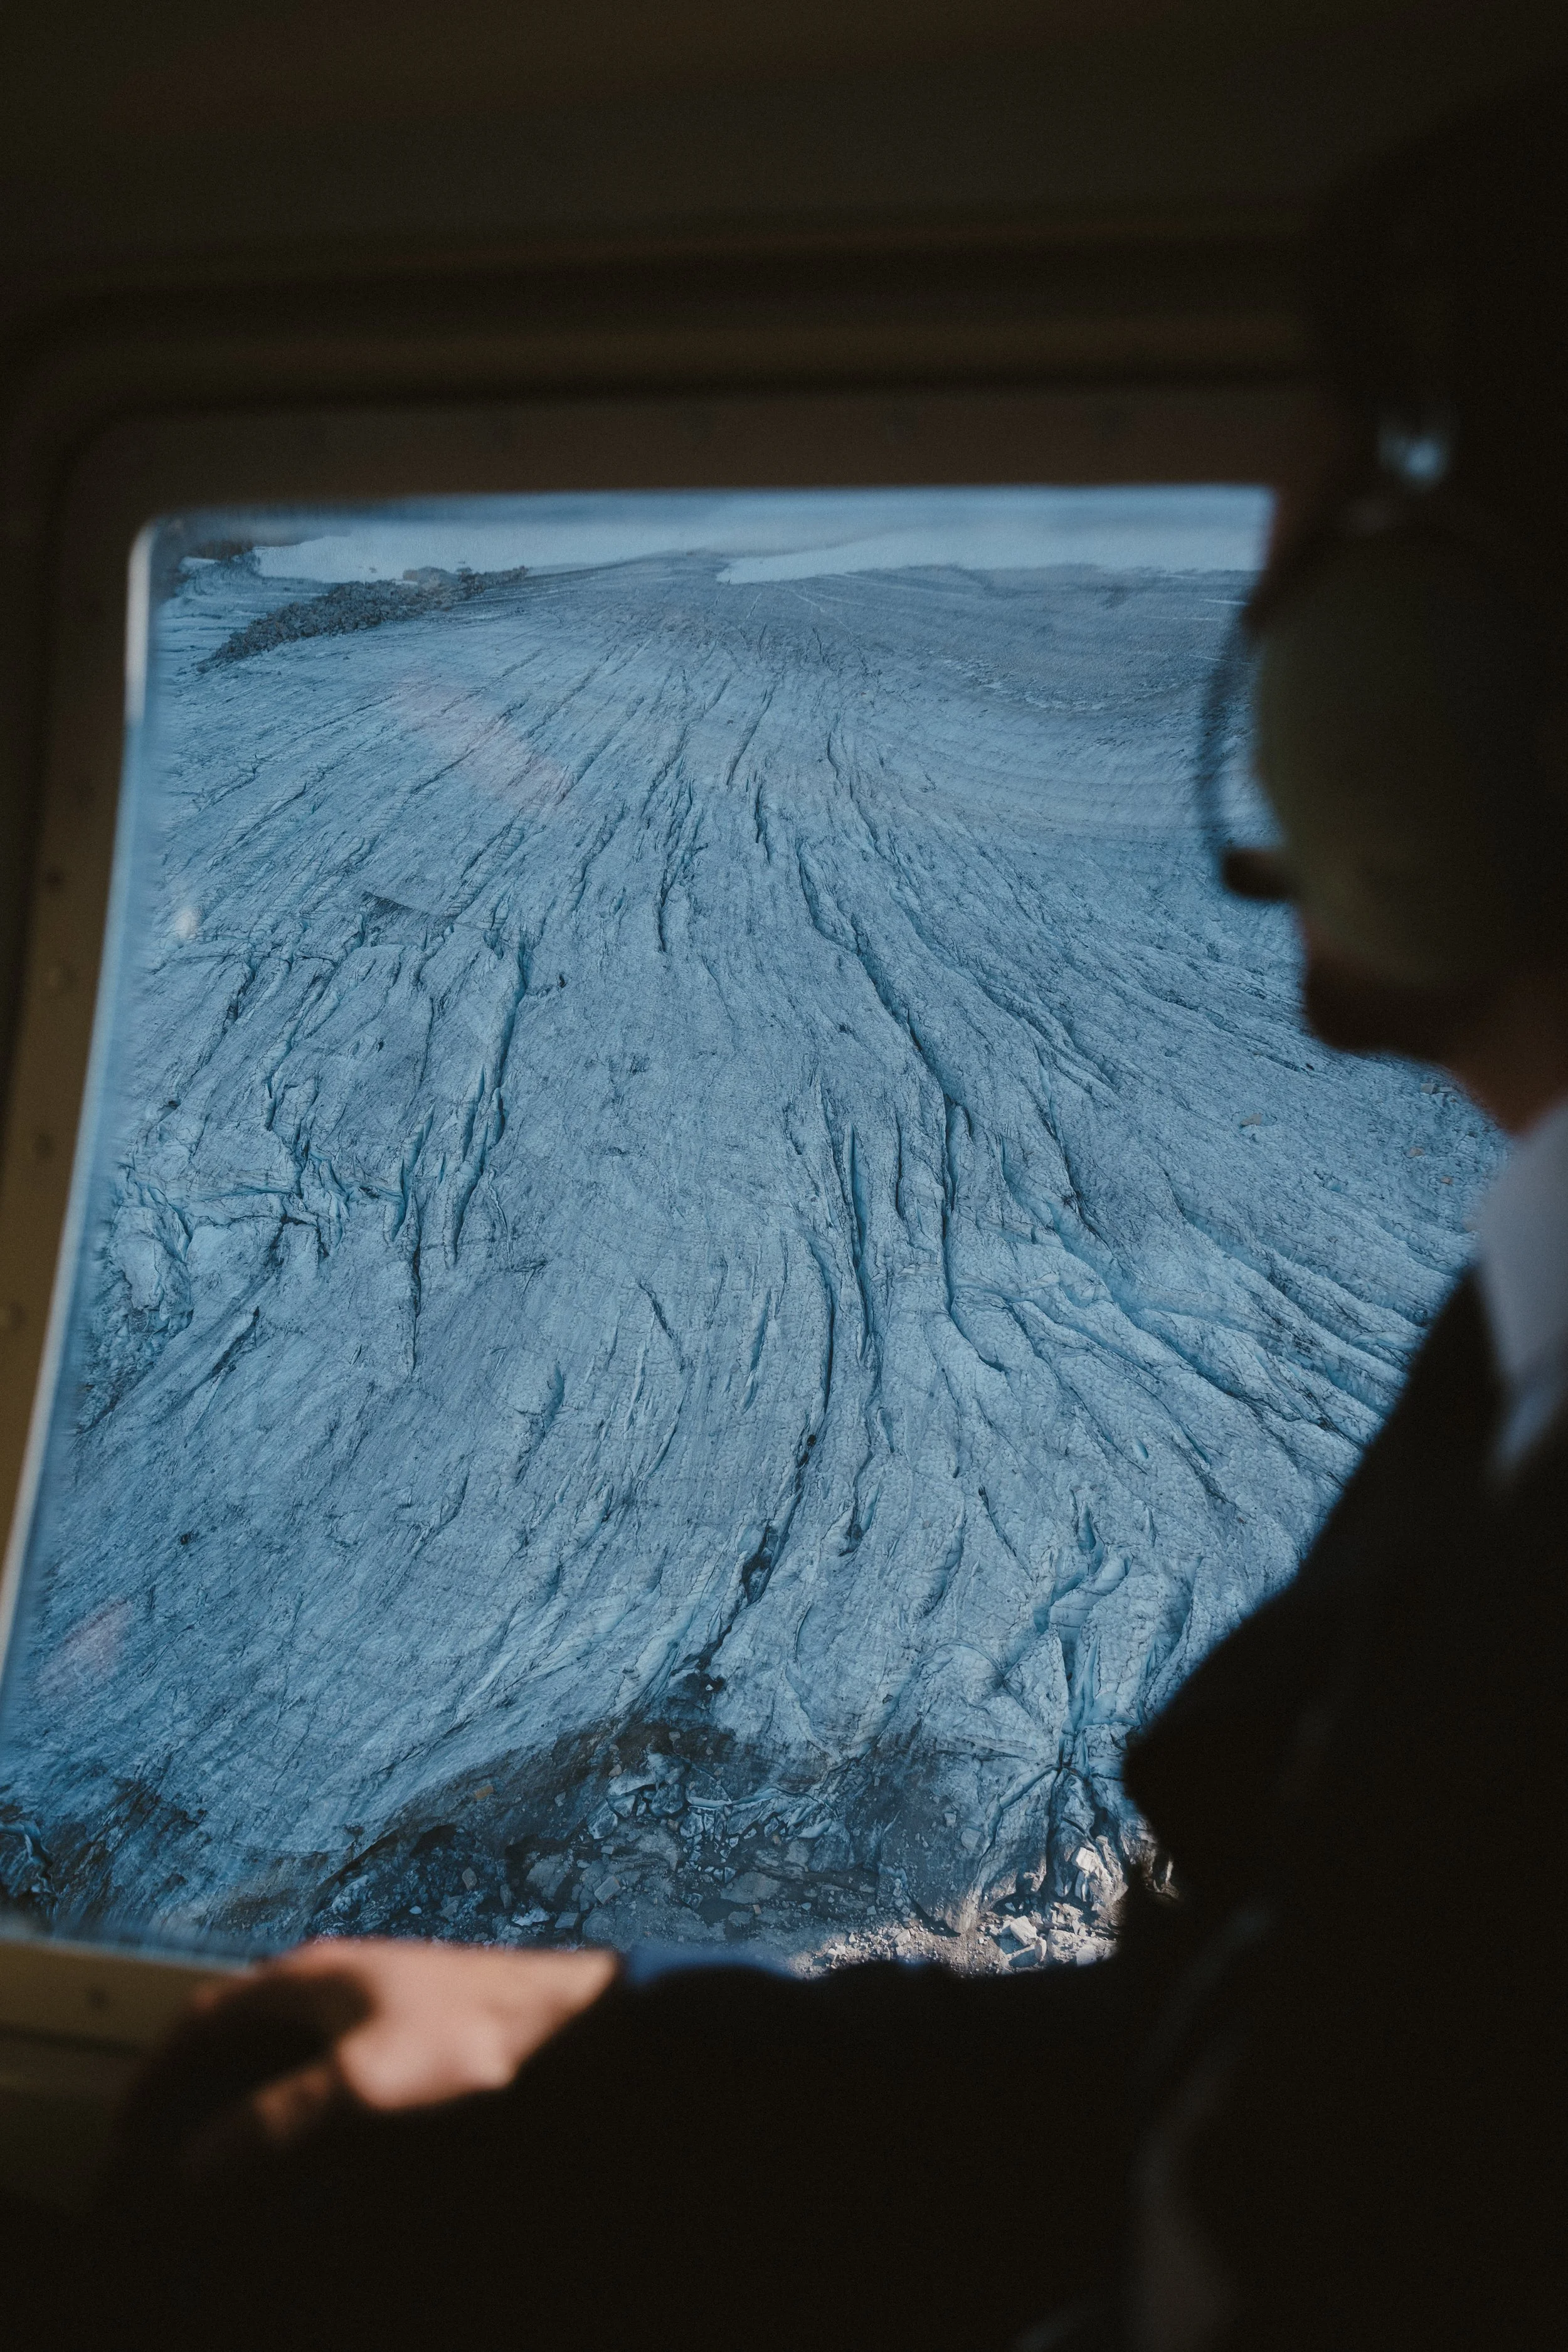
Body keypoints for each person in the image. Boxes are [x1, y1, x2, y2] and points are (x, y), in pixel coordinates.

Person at [81, 76, 1568, 2352]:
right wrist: (602, 2034)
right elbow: (1240, 2089)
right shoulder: (1517, 1345)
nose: (1269, 692)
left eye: (1330, 608)